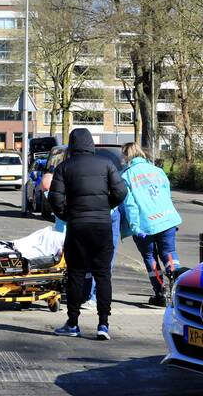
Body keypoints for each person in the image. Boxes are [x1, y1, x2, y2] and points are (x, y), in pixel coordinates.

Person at [42, 128, 127, 340]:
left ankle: (73, 323)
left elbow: (54, 198)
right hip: (102, 226)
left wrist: (67, 215)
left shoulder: (64, 167)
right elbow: (121, 192)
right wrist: (106, 206)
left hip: (77, 226)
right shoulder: (107, 164)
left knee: (76, 274)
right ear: (91, 144)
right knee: (103, 274)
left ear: (72, 145)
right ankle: (103, 324)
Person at [120, 142, 182, 306]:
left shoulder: (126, 176)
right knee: (169, 254)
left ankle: (161, 293)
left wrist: (134, 227)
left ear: (127, 156)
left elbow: (130, 205)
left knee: (149, 257)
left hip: (144, 224)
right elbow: (166, 193)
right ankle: (177, 290)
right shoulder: (157, 171)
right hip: (167, 219)